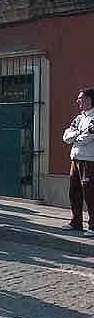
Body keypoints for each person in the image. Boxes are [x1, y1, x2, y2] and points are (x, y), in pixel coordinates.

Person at [62, 88, 94, 236]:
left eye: (80, 98)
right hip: (75, 158)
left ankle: (93, 225)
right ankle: (76, 221)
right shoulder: (79, 118)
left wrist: (75, 136)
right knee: (74, 192)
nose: (78, 101)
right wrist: (76, 134)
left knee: (90, 193)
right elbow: (66, 136)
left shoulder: (93, 118)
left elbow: (86, 138)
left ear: (89, 99)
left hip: (89, 160)